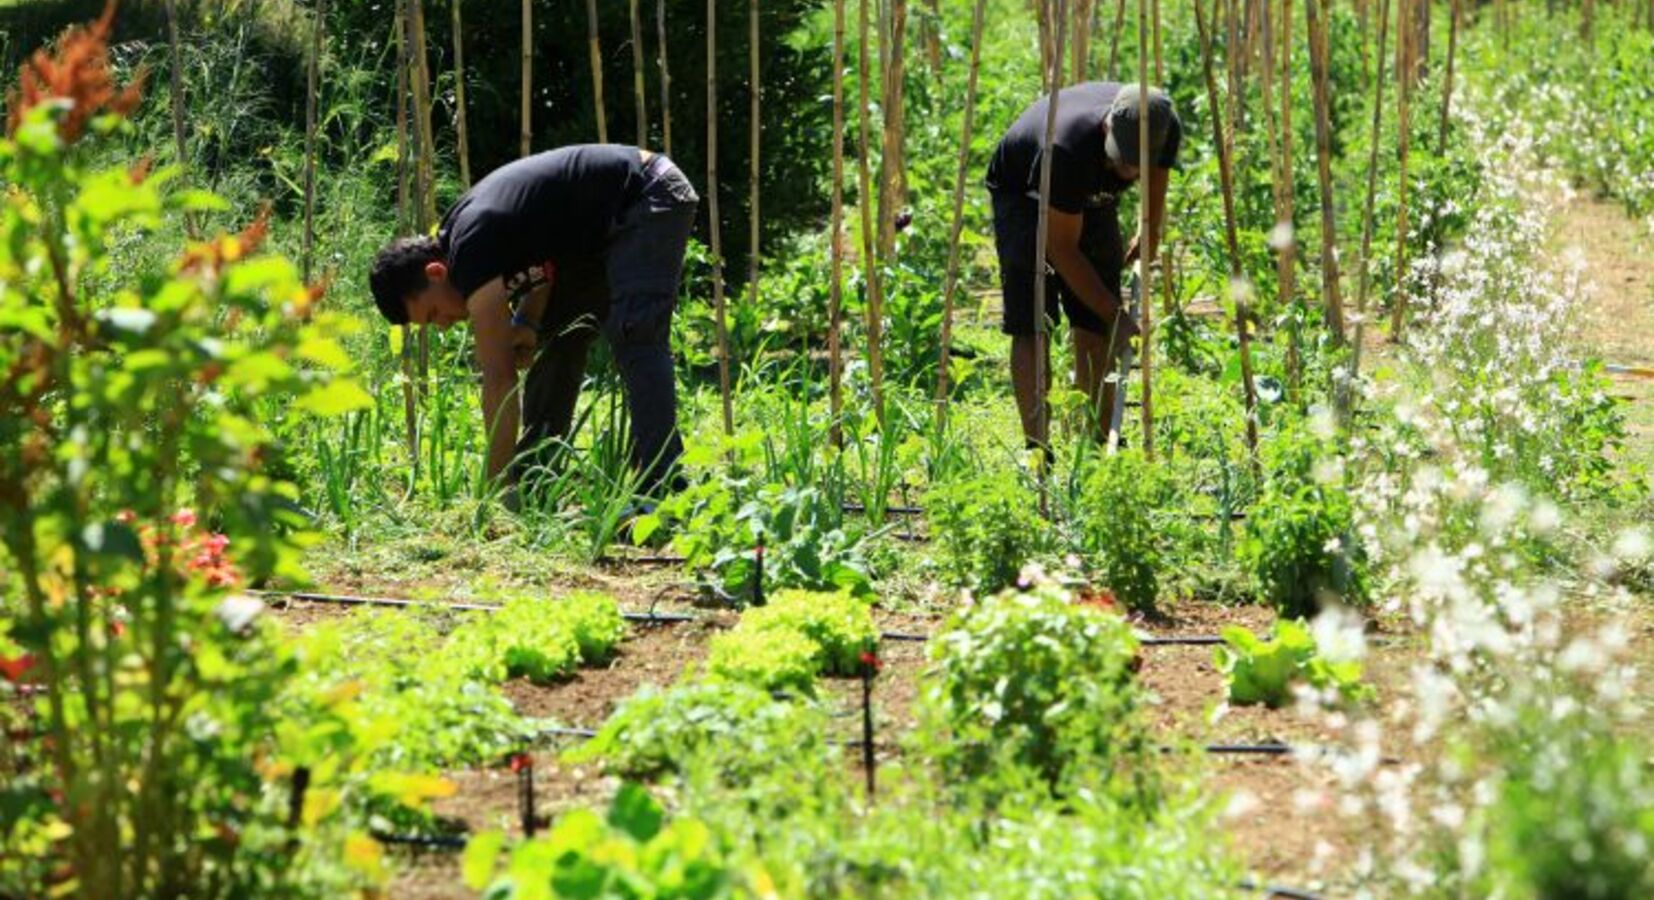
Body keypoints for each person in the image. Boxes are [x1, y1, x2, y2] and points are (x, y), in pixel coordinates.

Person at [369, 145, 699, 500]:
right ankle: (536, 475)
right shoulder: (461, 241)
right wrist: (529, 319)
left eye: (434, 314)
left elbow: (499, 378)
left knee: (636, 334)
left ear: (435, 273)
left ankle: (663, 490)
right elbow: (543, 251)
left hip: (646, 194)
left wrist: (494, 495)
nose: (445, 325)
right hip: (600, 231)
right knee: (560, 337)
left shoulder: (469, 249)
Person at [985, 82, 1181, 452]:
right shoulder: (1066, 150)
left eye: (1137, 164)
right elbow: (1060, 248)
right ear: (1107, 130)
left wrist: (1149, 228)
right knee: (1033, 323)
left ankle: (1099, 438)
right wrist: (1116, 314)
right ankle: (1037, 448)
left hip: (1086, 189)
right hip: (1025, 195)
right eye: (1123, 161)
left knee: (1093, 321)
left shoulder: (1161, 124)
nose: (1131, 172)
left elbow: (1157, 171)